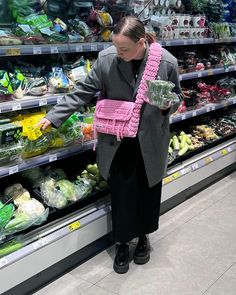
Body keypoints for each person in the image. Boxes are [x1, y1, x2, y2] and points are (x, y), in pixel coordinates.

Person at [38, 16, 181, 274]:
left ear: (141, 42)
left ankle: (144, 238)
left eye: (124, 49)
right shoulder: (107, 60)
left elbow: (178, 96)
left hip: (150, 140)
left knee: (148, 191)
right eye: (116, 47)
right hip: (117, 140)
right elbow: (81, 91)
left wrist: (168, 104)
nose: (119, 53)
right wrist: (53, 116)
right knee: (122, 193)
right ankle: (123, 243)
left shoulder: (166, 62)